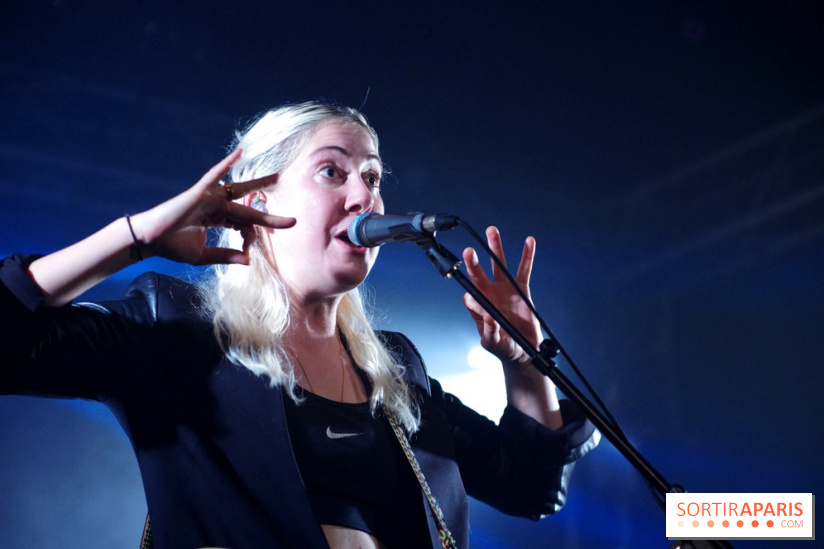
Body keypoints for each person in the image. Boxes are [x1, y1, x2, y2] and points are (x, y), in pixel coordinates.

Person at [0, 101, 598, 548]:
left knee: (693, 523)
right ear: (256, 204)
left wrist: (522, 360)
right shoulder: (178, 330)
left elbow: (529, 487)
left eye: (373, 177)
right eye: (332, 172)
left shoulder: (396, 370)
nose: (365, 196)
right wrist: (135, 240)